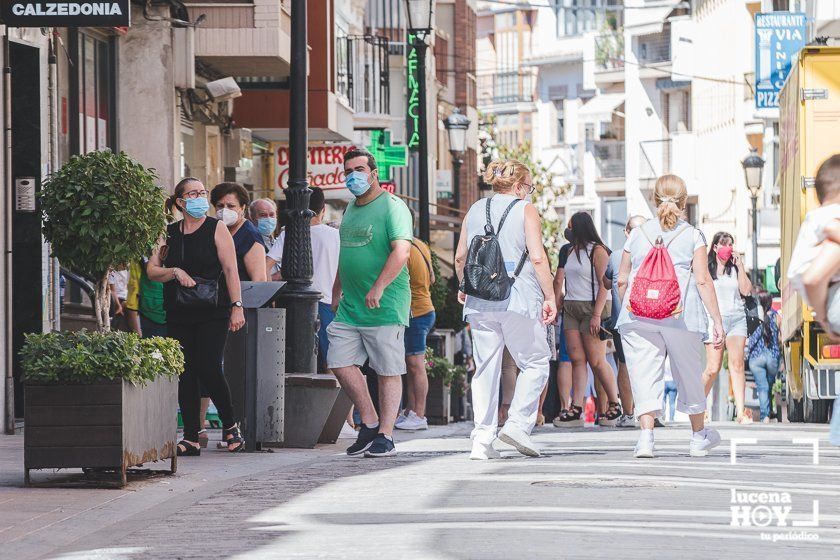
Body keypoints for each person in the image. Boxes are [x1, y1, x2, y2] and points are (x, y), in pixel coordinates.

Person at [455, 159, 557, 460]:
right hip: (518, 297)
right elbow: (538, 257)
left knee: (485, 368)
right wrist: (550, 296)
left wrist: (465, 285)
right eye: (529, 188)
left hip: (479, 301)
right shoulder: (525, 209)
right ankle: (517, 423)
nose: (529, 193)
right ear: (518, 186)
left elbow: (461, 255)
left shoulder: (474, 210)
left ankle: (482, 440)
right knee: (536, 362)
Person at [616, 174, 724, 458]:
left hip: (637, 315)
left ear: (654, 200)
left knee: (643, 373)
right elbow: (702, 280)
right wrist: (717, 320)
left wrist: (631, 304)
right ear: (684, 201)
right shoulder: (692, 235)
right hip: (681, 314)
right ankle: (698, 436)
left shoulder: (637, 234)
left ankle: (646, 439)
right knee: (688, 372)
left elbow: (622, 279)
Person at [147, 177, 246, 455]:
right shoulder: (168, 232)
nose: (200, 197)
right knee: (186, 372)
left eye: (203, 192)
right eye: (193, 193)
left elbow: (230, 270)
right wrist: (174, 272)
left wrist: (237, 305)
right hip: (179, 309)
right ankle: (190, 435)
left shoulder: (217, 228)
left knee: (209, 366)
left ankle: (230, 426)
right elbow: (152, 271)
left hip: (213, 309)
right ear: (180, 202)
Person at [328, 149, 413, 458]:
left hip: (384, 303)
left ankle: (386, 435)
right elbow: (346, 253)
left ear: (374, 172)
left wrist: (378, 286)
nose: (354, 175)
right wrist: (336, 290)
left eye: (360, 168)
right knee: (338, 361)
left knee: (388, 368)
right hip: (350, 305)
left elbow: (401, 251)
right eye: (349, 170)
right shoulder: (350, 208)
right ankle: (370, 420)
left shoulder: (393, 207)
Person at [553, 212, 622, 427]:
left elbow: (605, 284)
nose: (568, 231)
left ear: (580, 228)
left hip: (593, 307)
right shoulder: (571, 251)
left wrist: (596, 315)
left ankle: (614, 403)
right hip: (572, 307)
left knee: (597, 360)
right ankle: (576, 407)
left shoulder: (598, 250)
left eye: (571, 227)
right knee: (577, 359)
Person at [267, 187, 340, 373]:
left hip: (293, 305)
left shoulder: (288, 234)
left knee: (293, 361)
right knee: (331, 362)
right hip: (328, 303)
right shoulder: (336, 236)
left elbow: (264, 268)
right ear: (323, 209)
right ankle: (332, 401)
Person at [700, 231, 753, 423]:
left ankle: (740, 412)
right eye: (723, 244)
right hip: (715, 321)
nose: (727, 248)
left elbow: (746, 290)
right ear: (715, 247)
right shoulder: (706, 269)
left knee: (737, 365)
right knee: (713, 368)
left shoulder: (735, 268)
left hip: (737, 319)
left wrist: (740, 265)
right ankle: (699, 405)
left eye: (730, 244)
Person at [605, 215, 647, 428]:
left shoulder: (615, 257)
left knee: (625, 364)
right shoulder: (654, 254)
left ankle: (630, 413)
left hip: (624, 319)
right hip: (649, 318)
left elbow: (607, 281)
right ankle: (648, 413)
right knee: (648, 364)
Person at [395, 236, 436, 431]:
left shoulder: (405, 249)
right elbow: (433, 277)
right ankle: (411, 412)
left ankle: (419, 415)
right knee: (411, 365)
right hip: (423, 310)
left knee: (415, 365)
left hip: (416, 313)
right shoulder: (421, 244)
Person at [211, 182, 267, 282]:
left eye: (231, 206)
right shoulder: (215, 229)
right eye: (220, 205)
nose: (225, 210)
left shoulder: (250, 237)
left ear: (242, 208)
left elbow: (259, 280)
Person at [747, 290, 781, 423]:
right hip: (772, 356)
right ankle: (769, 411)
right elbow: (780, 338)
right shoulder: (776, 316)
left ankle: (765, 416)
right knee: (769, 385)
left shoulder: (754, 317)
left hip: (756, 358)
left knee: (762, 386)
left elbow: (750, 339)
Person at [124, 258, 167, 338]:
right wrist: (136, 332)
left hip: (172, 314)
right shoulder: (140, 257)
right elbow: (132, 298)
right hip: (149, 315)